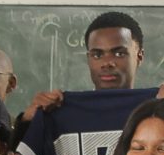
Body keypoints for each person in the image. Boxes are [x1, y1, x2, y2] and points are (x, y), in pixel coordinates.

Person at [16, 11, 145, 139]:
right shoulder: (61, 114)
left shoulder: (156, 112)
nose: (107, 63)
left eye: (119, 54)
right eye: (97, 55)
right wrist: (27, 121)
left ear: (139, 56)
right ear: (88, 58)